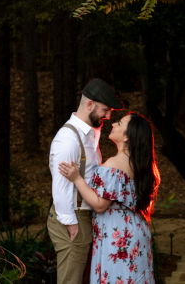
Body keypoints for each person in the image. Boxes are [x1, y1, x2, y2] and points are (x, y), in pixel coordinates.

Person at [59, 111, 161, 284]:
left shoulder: (116, 163)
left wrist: (77, 178)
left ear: (128, 137)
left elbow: (99, 205)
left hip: (118, 234)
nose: (113, 124)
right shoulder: (138, 163)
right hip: (135, 231)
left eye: (119, 124)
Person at [48, 78, 125, 284]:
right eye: (106, 110)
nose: (108, 116)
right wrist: (71, 224)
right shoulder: (68, 139)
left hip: (83, 216)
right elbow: (60, 185)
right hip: (72, 218)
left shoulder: (90, 134)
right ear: (90, 104)